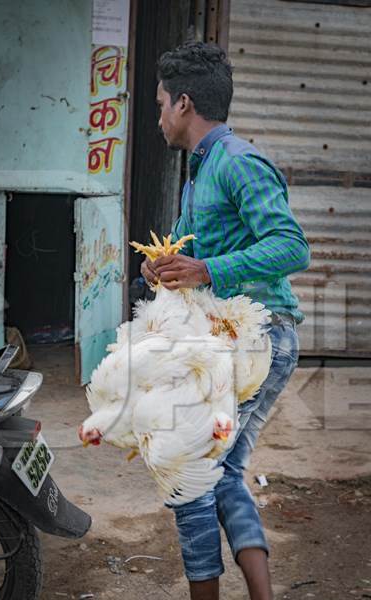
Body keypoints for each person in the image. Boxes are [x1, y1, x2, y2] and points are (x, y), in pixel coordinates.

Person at [141, 41, 310, 600]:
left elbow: (291, 247)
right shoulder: (200, 173)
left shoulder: (238, 162)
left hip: (262, 337)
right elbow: (194, 263)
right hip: (226, 339)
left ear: (184, 103)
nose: (159, 114)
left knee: (191, 468)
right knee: (217, 470)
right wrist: (165, 270)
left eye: (162, 102)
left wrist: (208, 268)